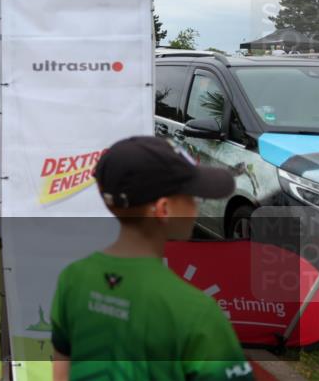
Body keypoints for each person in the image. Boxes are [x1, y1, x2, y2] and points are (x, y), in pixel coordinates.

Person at [51, 136, 252, 381]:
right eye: (191, 195)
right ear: (163, 209)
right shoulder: (198, 313)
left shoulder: (72, 278)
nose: (196, 205)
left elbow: (62, 367)